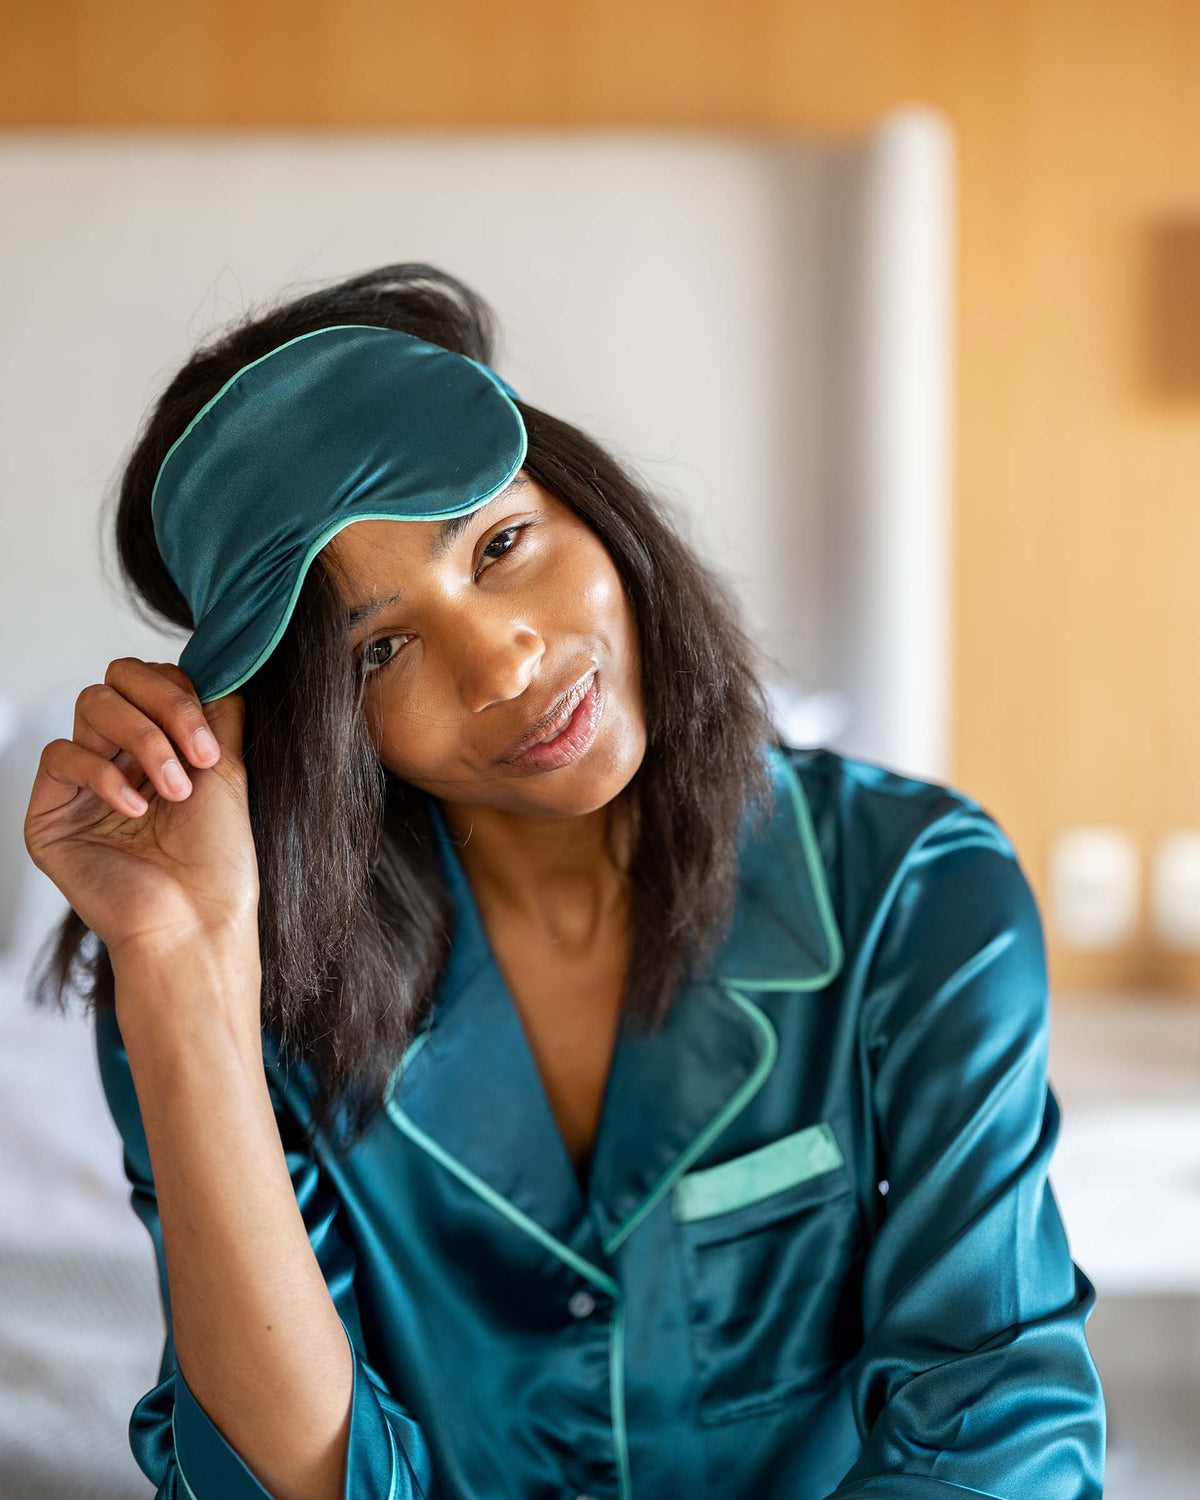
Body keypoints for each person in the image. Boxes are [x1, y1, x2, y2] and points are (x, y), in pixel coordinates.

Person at [23, 263, 1105, 1500]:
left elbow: (992, 1423)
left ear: (591, 503)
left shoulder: (919, 890)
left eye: (500, 543)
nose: (501, 664)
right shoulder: (218, 983)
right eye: (379, 650)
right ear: (313, 724)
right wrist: (179, 966)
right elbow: (286, 1484)